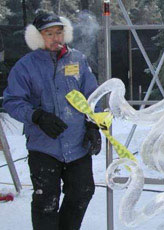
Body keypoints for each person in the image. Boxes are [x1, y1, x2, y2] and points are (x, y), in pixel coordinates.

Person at [3, 12, 101, 230]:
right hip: (43, 147)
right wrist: (36, 115)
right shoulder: (25, 66)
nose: (56, 38)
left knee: (83, 192)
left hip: (77, 145)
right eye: (49, 34)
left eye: (59, 32)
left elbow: (94, 96)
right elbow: (12, 101)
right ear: (37, 37)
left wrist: (93, 125)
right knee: (46, 202)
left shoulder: (78, 60)